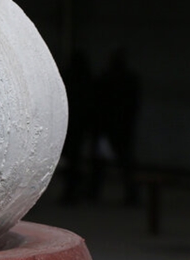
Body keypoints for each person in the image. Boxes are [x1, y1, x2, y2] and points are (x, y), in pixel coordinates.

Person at [89, 47, 141, 206]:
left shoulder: (107, 79)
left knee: (102, 163)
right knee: (122, 164)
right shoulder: (128, 80)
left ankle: (94, 192)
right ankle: (131, 194)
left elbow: (98, 104)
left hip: (109, 128)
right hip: (119, 128)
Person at [59, 49, 92, 205]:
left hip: (72, 125)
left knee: (72, 161)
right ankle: (73, 192)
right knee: (74, 161)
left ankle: (71, 192)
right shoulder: (86, 78)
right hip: (78, 125)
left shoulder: (70, 77)